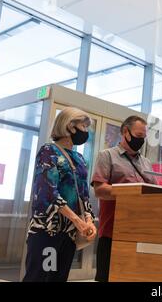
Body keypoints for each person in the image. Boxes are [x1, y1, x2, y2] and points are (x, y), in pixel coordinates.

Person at [23, 107, 97, 282]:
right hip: (48, 230)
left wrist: (88, 220)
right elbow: (47, 192)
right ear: (70, 126)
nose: (85, 132)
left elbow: (84, 195)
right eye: (83, 126)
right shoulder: (48, 151)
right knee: (39, 277)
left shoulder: (79, 159)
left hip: (69, 233)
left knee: (58, 277)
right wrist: (77, 221)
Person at [91, 115, 157, 282]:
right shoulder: (107, 156)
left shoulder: (146, 163)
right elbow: (99, 190)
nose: (141, 140)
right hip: (113, 232)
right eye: (138, 136)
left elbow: (154, 192)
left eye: (144, 137)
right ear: (125, 132)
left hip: (141, 233)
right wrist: (132, 192)